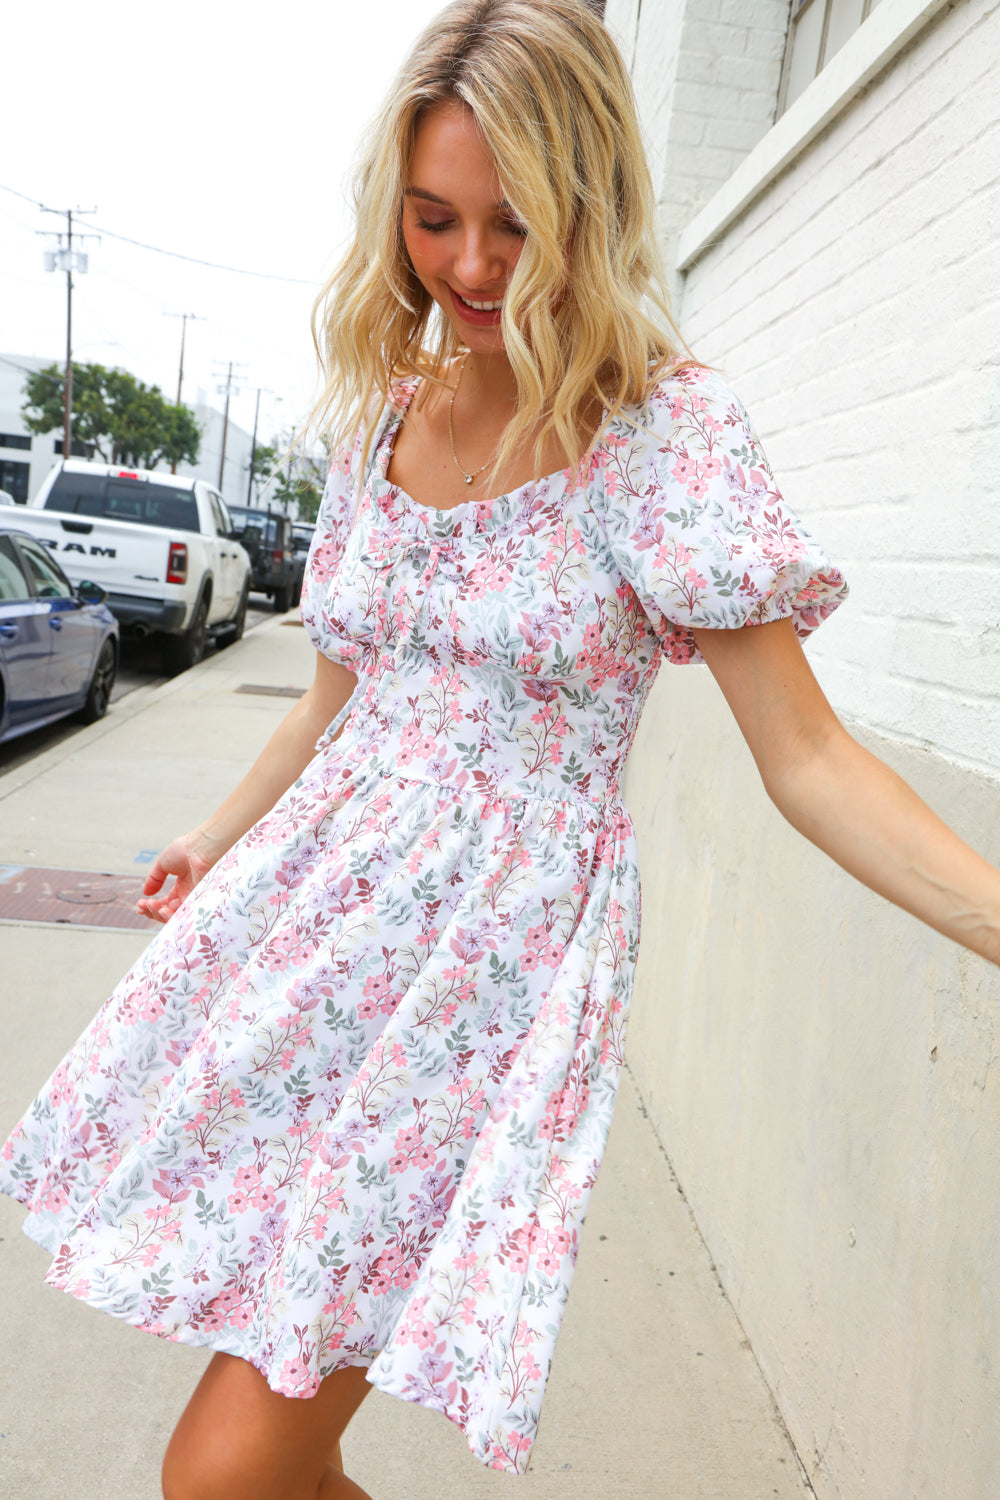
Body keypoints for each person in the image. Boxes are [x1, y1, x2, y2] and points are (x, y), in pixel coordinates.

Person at [3, 1, 999, 1496]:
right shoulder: (382, 419)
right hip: (310, 940)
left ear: (592, 204)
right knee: (261, 1455)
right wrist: (214, 835)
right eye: (434, 219)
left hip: (485, 977)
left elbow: (808, 760)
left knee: (222, 1474)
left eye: (516, 223)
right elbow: (331, 697)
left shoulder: (662, 435)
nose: (471, 266)